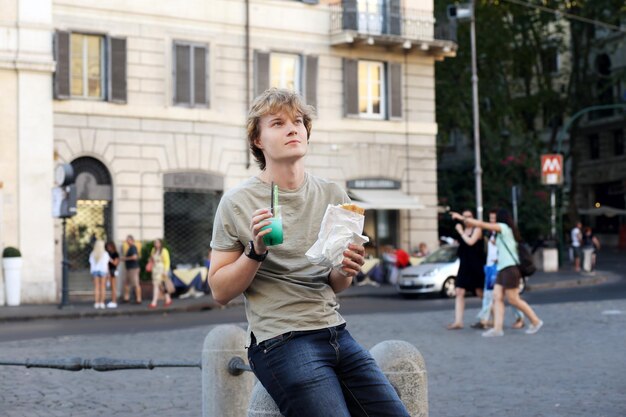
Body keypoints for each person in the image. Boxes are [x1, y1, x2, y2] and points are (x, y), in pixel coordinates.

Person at [208, 88, 409, 417]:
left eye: (299, 121)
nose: (293, 128)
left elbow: (337, 283)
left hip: (336, 331)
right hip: (280, 339)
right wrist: (255, 251)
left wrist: (346, 268)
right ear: (257, 140)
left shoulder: (332, 193)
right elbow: (219, 291)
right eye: (278, 122)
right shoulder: (236, 202)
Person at [451, 209, 544, 337]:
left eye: (495, 219)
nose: (492, 221)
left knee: (513, 299)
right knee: (497, 297)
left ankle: (535, 321)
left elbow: (482, 224)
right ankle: (497, 328)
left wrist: (461, 218)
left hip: (510, 269)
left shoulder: (504, 228)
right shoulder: (500, 234)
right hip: (502, 269)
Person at [472, 210, 524, 330]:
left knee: (510, 297)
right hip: (492, 267)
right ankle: (485, 320)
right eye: (490, 219)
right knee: (490, 294)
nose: (491, 221)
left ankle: (521, 317)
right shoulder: (492, 234)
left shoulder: (504, 231)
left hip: (501, 267)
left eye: (494, 219)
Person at [447, 209, 485, 330]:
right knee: (459, 292)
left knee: (481, 293)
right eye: (465, 217)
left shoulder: (477, 229)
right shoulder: (463, 231)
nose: (467, 219)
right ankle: (458, 321)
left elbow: (470, 242)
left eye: (469, 216)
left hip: (476, 266)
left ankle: (493, 317)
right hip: (464, 265)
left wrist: (460, 231)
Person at [148, 239, 172, 308]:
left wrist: (166, 271)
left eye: (158, 243)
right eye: (155, 243)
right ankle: (168, 299)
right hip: (155, 269)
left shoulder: (164, 251)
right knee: (161, 286)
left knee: (156, 285)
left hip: (161, 269)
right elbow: (151, 259)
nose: (156, 244)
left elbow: (167, 262)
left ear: (161, 243)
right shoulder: (153, 250)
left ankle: (154, 302)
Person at [88, 240, 110, 309]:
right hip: (103, 271)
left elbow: (91, 264)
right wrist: (108, 273)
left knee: (96, 288)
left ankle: (96, 303)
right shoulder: (105, 254)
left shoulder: (92, 254)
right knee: (103, 288)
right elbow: (107, 264)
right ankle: (102, 303)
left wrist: (91, 273)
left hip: (95, 271)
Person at [121, 235, 142, 304]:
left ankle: (138, 299)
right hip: (129, 268)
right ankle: (126, 298)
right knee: (126, 283)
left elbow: (134, 257)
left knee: (136, 284)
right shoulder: (130, 248)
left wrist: (125, 258)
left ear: (132, 240)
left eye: (128, 240)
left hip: (133, 269)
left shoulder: (133, 248)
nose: (127, 241)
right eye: (126, 240)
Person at [105, 241, 120, 308]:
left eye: (110, 246)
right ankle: (112, 300)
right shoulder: (107, 253)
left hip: (113, 271)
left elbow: (115, 263)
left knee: (113, 287)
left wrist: (110, 259)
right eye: (107, 247)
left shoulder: (115, 254)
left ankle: (114, 301)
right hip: (108, 271)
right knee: (111, 287)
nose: (109, 248)